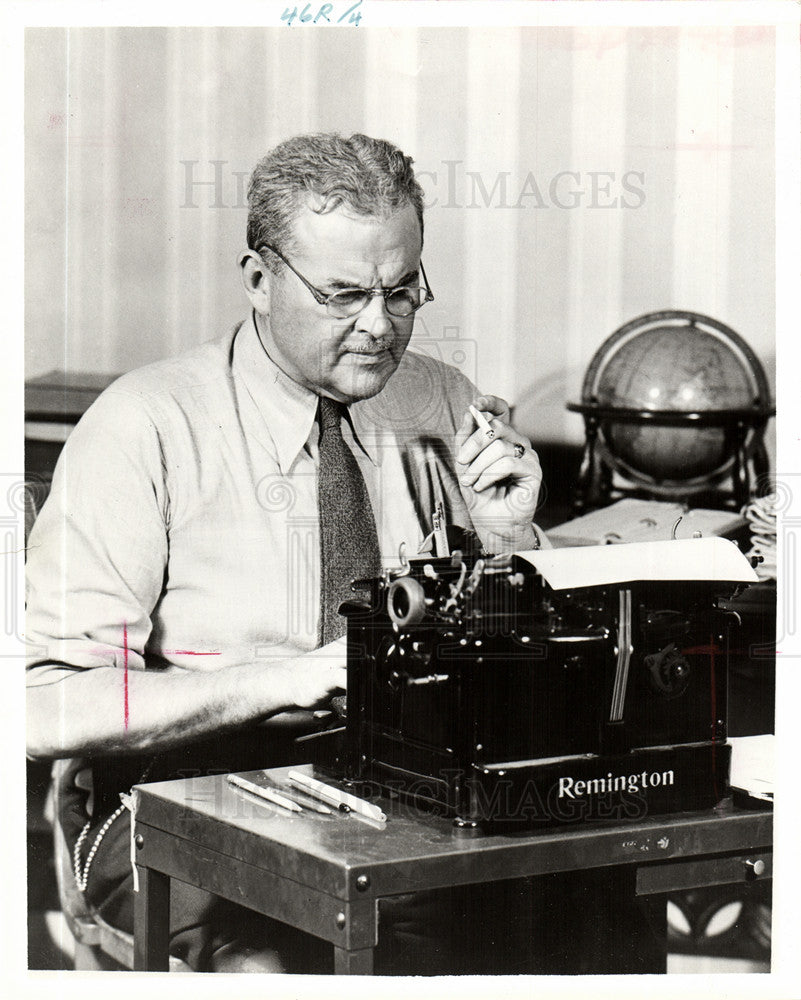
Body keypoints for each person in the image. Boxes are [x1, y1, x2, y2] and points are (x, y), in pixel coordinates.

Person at [26, 132, 554, 973]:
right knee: (283, 965)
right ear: (260, 280)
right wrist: (291, 676)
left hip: (403, 780)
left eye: (402, 291)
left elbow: (507, 654)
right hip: (180, 786)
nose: (380, 328)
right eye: (342, 294)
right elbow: (42, 709)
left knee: (573, 903)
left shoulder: (441, 400)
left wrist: (508, 537)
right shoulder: (146, 425)